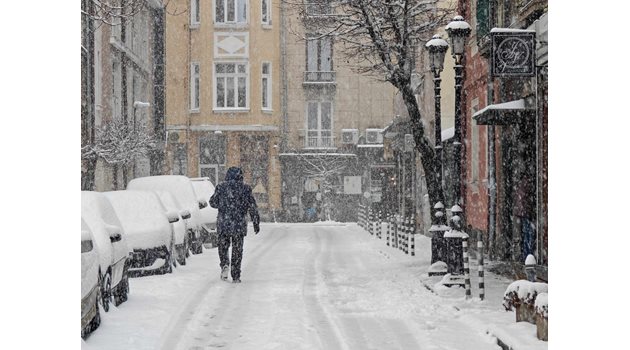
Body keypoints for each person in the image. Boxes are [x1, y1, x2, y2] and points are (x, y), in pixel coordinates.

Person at [209, 167, 260, 283]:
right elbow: (252, 206)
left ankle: (225, 265)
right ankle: (236, 274)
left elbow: (212, 202)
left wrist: (223, 205)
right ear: (240, 176)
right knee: (237, 250)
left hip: (224, 223)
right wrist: (256, 221)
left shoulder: (221, 187)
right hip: (239, 224)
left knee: (223, 247)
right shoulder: (245, 189)